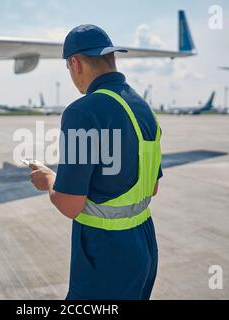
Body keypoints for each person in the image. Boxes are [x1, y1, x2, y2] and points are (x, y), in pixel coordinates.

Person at [29, 24, 163, 299]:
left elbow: (69, 204)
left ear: (75, 63)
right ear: (112, 58)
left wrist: (48, 180)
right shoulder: (142, 107)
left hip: (105, 255)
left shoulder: (83, 111)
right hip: (145, 244)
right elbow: (151, 188)